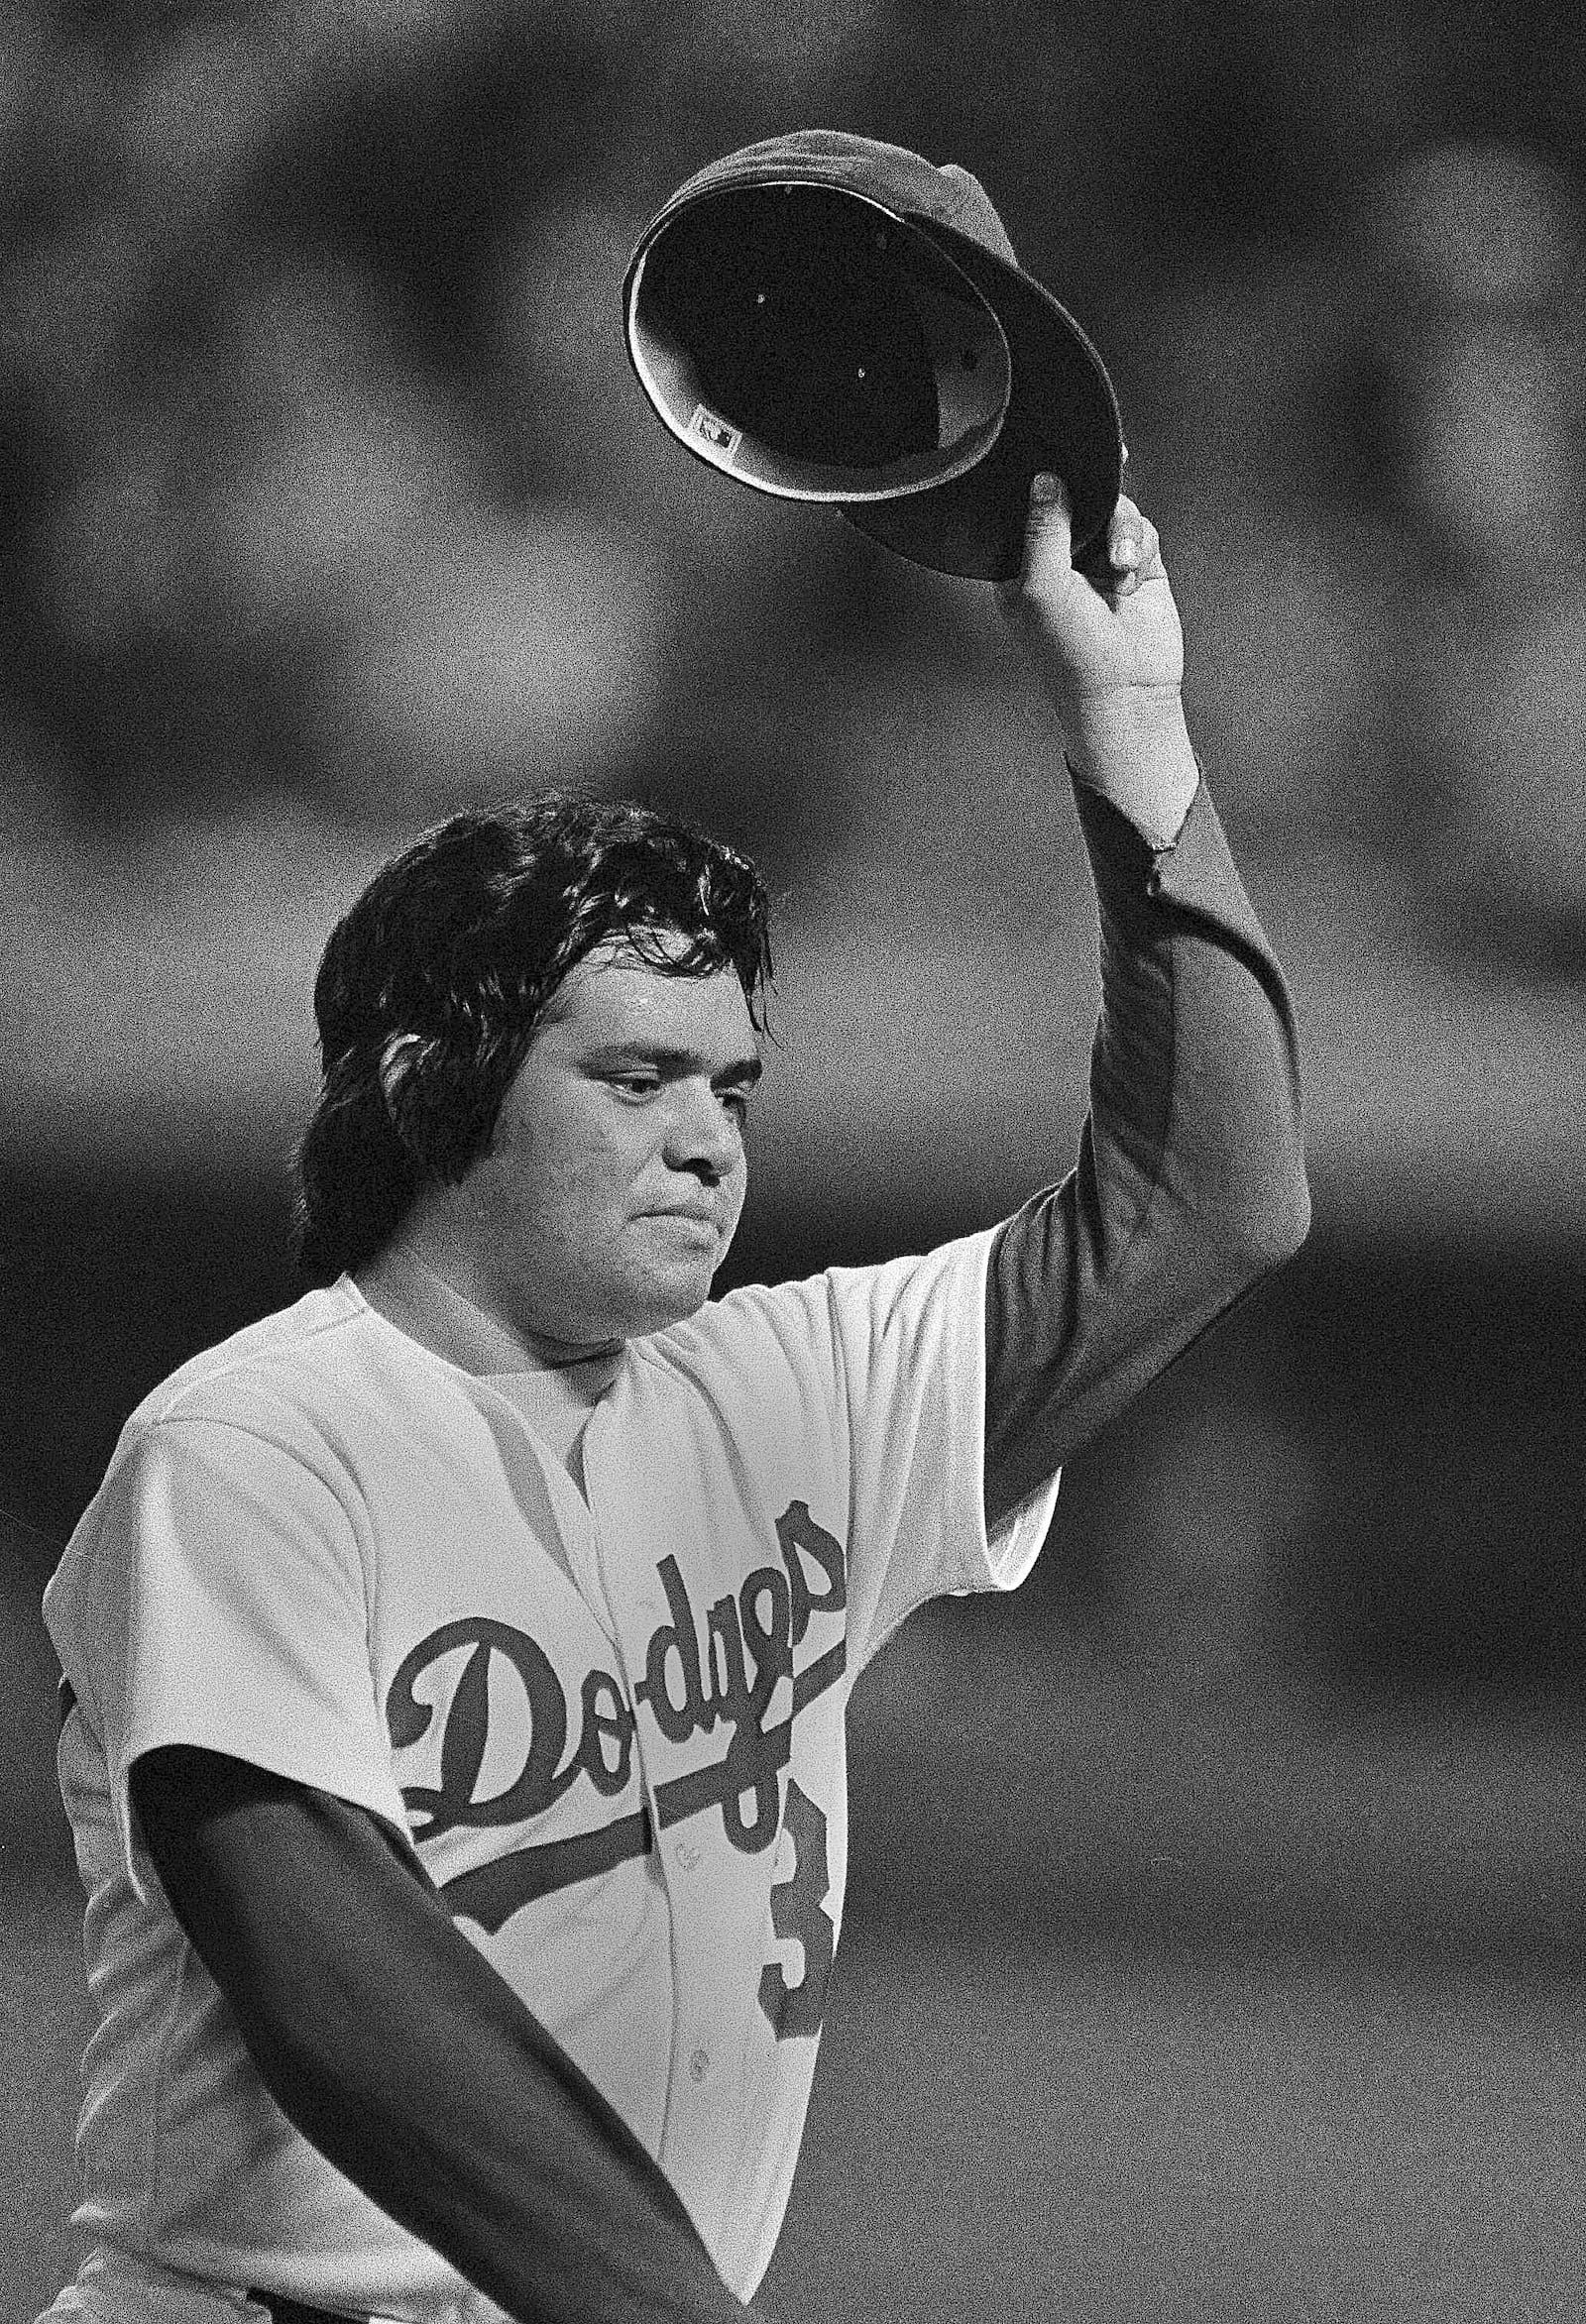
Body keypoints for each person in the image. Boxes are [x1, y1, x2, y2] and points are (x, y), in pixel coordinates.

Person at [40, 475, 1309, 2324]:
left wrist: (1127, 727)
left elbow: (1216, 1193)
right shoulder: (250, 1447)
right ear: (428, 1080)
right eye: (639, 1078)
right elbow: (345, 1997)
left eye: (735, 1087)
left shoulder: (792, 1390)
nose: (710, 1141)